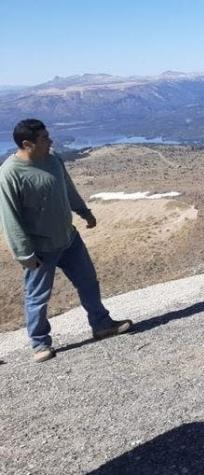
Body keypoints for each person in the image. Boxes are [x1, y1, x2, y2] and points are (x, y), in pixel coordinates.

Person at [0, 119, 132, 362]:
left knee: (88, 282)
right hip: (40, 249)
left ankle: (102, 325)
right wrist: (24, 254)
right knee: (38, 297)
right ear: (27, 144)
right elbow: (10, 217)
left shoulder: (53, 160)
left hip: (69, 240)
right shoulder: (10, 173)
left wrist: (84, 212)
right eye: (44, 138)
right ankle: (40, 344)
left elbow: (67, 190)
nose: (50, 141)